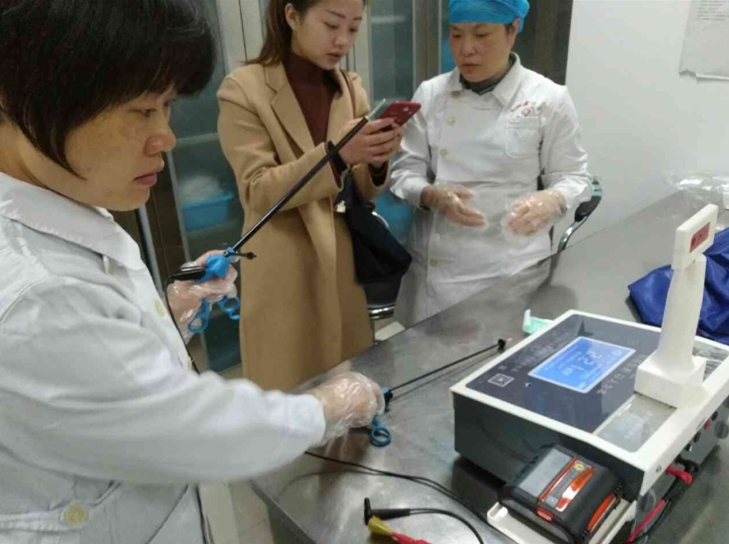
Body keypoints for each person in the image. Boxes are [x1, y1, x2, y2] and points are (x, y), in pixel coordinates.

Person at [0, 2, 384, 543]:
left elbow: (98, 361)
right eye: (141, 110)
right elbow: (198, 431)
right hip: (280, 268)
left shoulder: (65, 204)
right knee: (295, 442)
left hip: (337, 258)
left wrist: (166, 310)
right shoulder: (37, 292)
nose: (166, 137)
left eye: (167, 107)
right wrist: (328, 406)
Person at [217, 0, 404, 391]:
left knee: (347, 387)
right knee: (285, 390)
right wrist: (337, 157)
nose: (342, 40)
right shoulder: (243, 89)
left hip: (341, 262)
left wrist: (376, 160)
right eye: (332, 24)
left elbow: (362, 189)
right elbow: (257, 190)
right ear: (292, 16)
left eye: (353, 28)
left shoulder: (349, 88)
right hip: (283, 264)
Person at [390, 0, 592, 327]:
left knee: (505, 355)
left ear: (513, 30)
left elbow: (575, 177)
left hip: (513, 272)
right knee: (430, 355)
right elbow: (404, 173)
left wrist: (553, 198)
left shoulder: (548, 99)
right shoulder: (431, 94)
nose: (466, 49)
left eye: (481, 34)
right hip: (438, 276)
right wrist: (430, 195)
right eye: (456, 34)